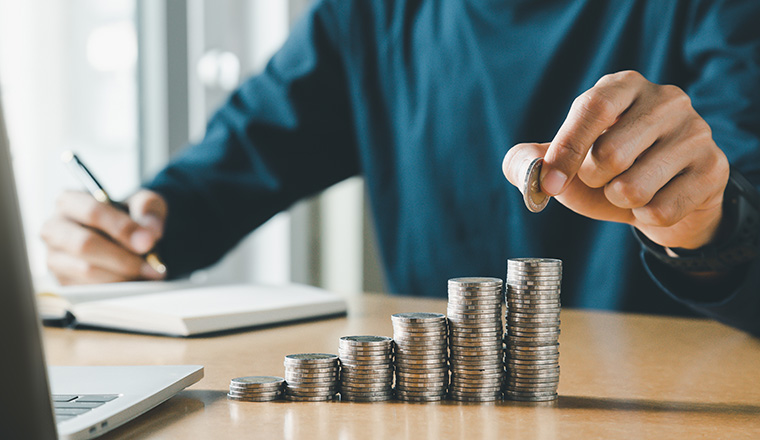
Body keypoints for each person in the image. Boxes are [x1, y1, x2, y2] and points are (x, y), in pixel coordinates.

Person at [41, 0, 760, 335]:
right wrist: (130, 226)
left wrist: (701, 224)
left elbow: (745, 223)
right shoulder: (367, 16)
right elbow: (218, 176)